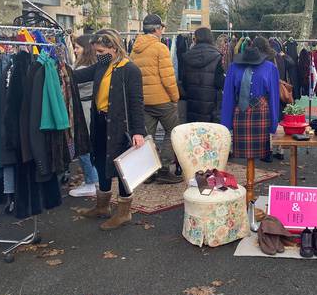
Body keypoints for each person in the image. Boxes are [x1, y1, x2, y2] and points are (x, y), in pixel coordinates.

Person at [73, 29, 146, 230]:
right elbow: (78, 76)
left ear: (113, 48)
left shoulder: (130, 69)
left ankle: (124, 213)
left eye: (101, 50)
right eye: (96, 51)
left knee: (124, 168)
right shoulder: (102, 65)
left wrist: (138, 131)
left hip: (121, 127)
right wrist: (57, 68)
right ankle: (102, 207)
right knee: (100, 161)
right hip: (100, 123)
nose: (97, 54)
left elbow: (136, 102)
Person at [130, 14, 182, 184]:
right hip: (162, 100)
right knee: (172, 131)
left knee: (147, 137)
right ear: (157, 29)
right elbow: (168, 77)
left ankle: (149, 171)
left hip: (143, 100)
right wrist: (175, 97)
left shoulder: (135, 49)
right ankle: (165, 169)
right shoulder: (160, 48)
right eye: (162, 28)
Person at [221, 43, 280, 163]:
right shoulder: (233, 68)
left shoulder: (270, 68)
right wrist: (226, 125)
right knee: (245, 155)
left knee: (260, 153)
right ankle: (249, 181)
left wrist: (274, 123)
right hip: (240, 115)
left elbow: (274, 96)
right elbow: (228, 96)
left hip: (262, 115)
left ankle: (251, 181)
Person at [253, 35, 295, 162]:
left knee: (266, 122)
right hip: (279, 90)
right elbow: (291, 64)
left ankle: (268, 151)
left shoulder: (263, 60)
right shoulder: (278, 55)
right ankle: (280, 150)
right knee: (278, 120)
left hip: (267, 92)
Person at [69, 35, 99, 197]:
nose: (74, 50)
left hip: (83, 110)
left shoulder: (82, 69)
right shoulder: (93, 65)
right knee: (89, 146)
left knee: (83, 147)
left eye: (77, 47)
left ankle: (91, 182)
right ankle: (93, 179)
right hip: (88, 109)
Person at [181, 27, 224, 124]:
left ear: (196, 38)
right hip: (211, 104)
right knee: (209, 135)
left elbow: (183, 81)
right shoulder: (217, 56)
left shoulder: (187, 56)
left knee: (194, 134)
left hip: (192, 102)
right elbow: (219, 82)